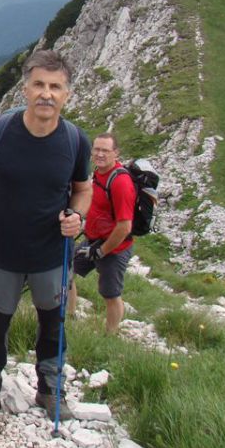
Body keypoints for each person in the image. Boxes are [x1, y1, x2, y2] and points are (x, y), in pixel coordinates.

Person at [0, 49, 91, 431]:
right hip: (3, 249)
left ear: (66, 94)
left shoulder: (76, 141)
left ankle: (50, 388)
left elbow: (82, 189)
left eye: (55, 87)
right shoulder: (0, 130)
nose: (47, 94)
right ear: (26, 89)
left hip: (51, 251)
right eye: (39, 85)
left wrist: (77, 216)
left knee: (53, 324)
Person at [71, 132, 136, 334]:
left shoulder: (121, 182)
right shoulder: (99, 173)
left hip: (114, 248)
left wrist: (102, 251)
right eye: (96, 149)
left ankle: (111, 334)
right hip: (92, 240)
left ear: (116, 153)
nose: (99, 154)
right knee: (65, 271)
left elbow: (125, 227)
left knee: (110, 293)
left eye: (105, 150)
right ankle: (69, 316)